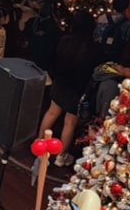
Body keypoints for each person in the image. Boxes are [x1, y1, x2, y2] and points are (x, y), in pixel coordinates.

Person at [37, 11, 96, 158]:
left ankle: (39, 143)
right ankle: (61, 156)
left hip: (60, 82)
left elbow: (53, 59)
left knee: (51, 112)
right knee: (70, 122)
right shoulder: (92, 47)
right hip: (77, 89)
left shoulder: (64, 40)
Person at [18, 0, 60, 74]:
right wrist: (32, 2)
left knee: (50, 43)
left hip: (48, 17)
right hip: (34, 18)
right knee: (38, 45)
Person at [92, 0, 130, 64]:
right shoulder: (127, 23)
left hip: (100, 53)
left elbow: (96, 35)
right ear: (126, 6)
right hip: (115, 55)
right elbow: (126, 39)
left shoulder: (102, 17)